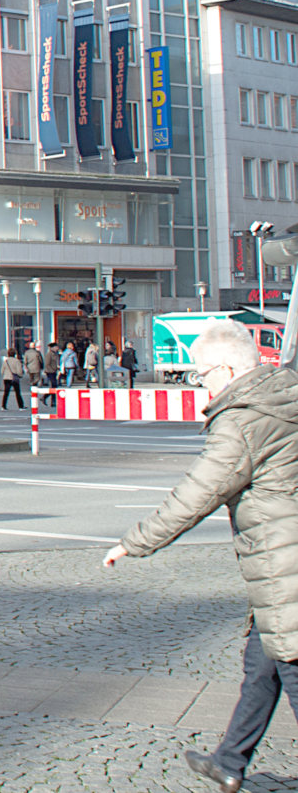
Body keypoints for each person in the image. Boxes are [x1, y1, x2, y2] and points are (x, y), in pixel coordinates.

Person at [102, 320, 298, 792]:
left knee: (290, 663)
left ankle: (230, 762)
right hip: (283, 558)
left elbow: (197, 493)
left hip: (282, 562)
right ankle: (229, 762)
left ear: (227, 369)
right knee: (262, 662)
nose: (200, 382)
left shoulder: (242, 420)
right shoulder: (285, 393)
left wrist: (135, 541)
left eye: (202, 373)